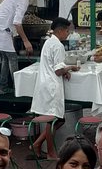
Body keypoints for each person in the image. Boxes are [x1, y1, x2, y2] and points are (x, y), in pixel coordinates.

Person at [29, 18, 80, 159]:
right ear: (60, 30)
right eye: (67, 31)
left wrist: (65, 70)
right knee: (52, 120)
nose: (68, 34)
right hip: (51, 85)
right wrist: (71, 67)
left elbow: (54, 66)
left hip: (45, 82)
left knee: (58, 120)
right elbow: (58, 70)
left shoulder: (48, 42)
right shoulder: (58, 46)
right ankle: (51, 152)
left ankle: (37, 144)